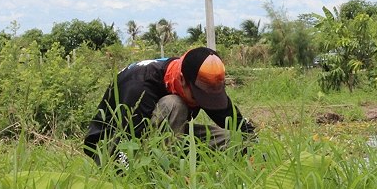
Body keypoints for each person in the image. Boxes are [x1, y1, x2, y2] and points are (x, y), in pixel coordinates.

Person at [83, 46, 256, 166]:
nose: (204, 103)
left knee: (232, 140)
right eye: (199, 97)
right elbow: (125, 143)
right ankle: (167, 170)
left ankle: (181, 164)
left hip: (161, 137)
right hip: (113, 147)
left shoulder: (193, 74)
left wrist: (253, 142)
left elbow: (232, 120)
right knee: (175, 105)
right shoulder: (139, 87)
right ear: (182, 80)